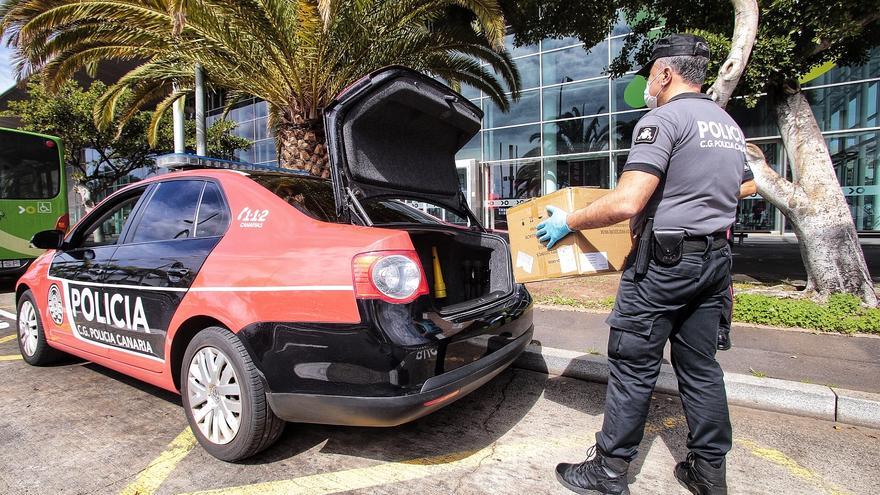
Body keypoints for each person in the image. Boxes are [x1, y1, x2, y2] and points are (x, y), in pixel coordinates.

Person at [536, 34, 750, 495]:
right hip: (714, 261)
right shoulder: (726, 125)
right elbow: (743, 187)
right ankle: (709, 474)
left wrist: (568, 221)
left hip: (664, 265)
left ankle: (609, 472)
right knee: (701, 367)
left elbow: (629, 201)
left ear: (666, 73)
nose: (648, 82)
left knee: (632, 364)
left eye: (651, 72)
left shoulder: (663, 120)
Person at [718, 170, 756, 351]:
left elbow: (750, 186)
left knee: (720, 280)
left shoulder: (726, 146)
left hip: (717, 231)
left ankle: (721, 329)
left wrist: (707, 195)